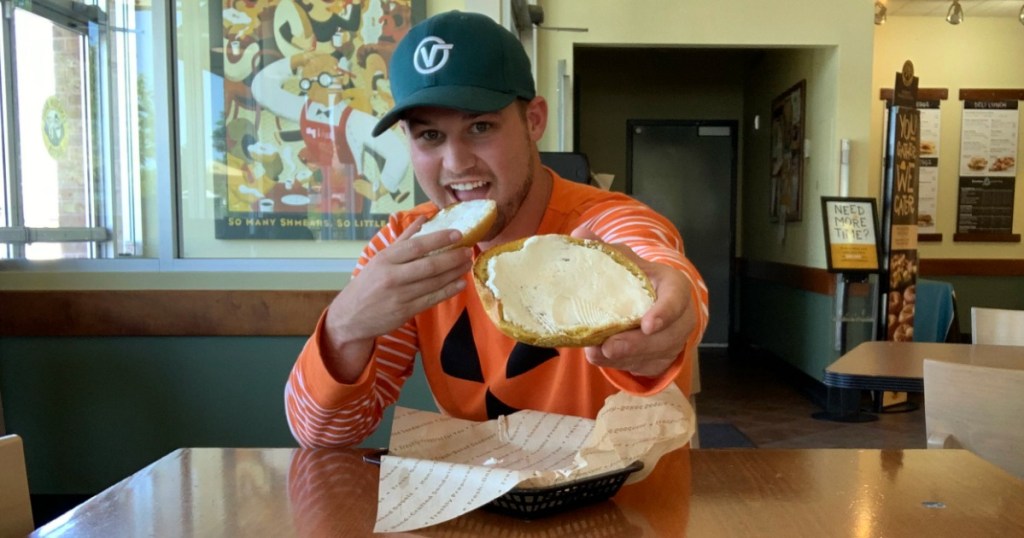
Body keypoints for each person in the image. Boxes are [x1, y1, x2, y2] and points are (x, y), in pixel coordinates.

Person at [285, 10, 709, 448]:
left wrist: (676, 308)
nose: (456, 163)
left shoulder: (599, 223)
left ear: (534, 121)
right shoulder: (406, 246)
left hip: (625, 500)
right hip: (482, 500)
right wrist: (343, 326)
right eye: (430, 136)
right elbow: (321, 435)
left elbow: (653, 257)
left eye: (481, 127)